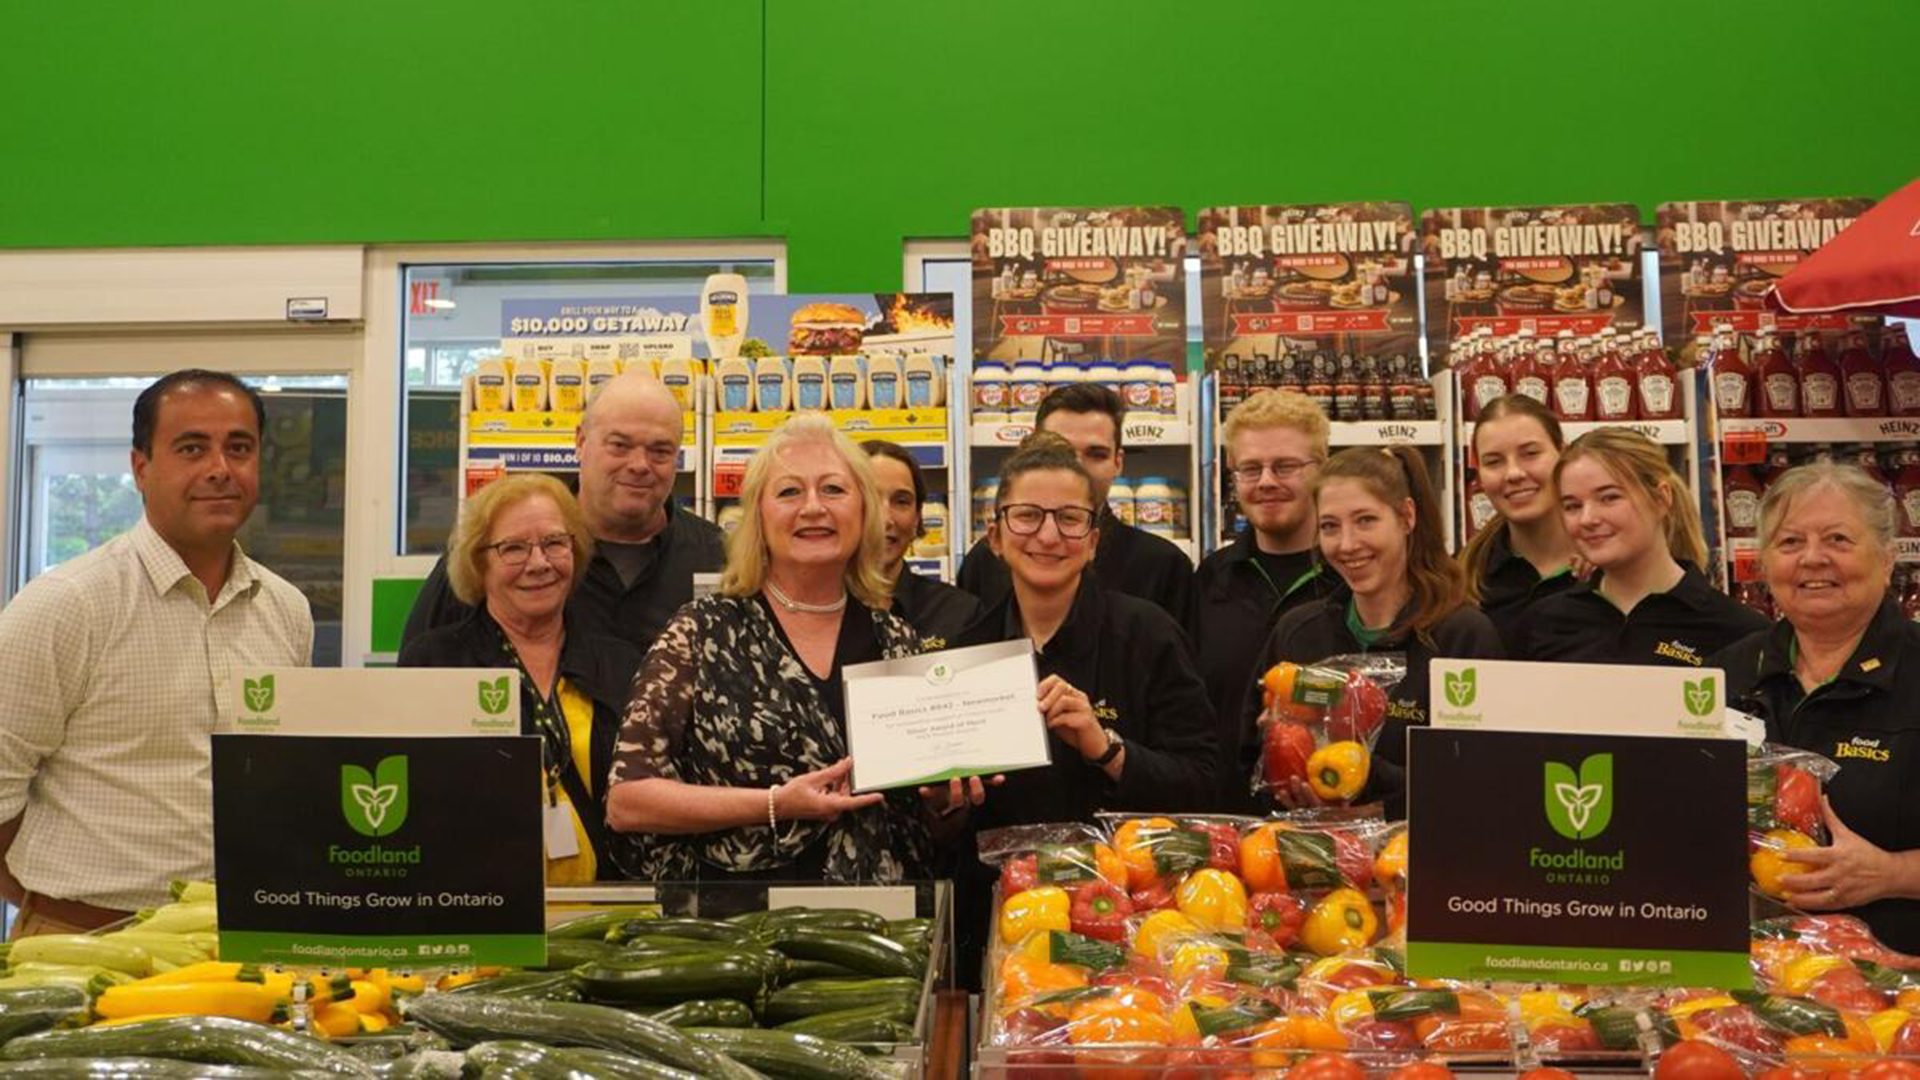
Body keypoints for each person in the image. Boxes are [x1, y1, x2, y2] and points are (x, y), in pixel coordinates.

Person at [0, 370, 312, 936]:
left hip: (241, 944)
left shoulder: (287, 610)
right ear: (141, 467)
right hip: (82, 943)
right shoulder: (66, 605)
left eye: (238, 448)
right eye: (192, 448)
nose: (220, 468)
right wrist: (62, 908)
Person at [605, 414, 929, 882]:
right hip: (738, 931)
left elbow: (921, 817)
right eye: (789, 492)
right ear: (758, 516)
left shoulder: (898, 643)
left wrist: (944, 802)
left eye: (834, 490)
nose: (813, 507)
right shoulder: (702, 632)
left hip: (878, 930)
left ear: (864, 513)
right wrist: (776, 804)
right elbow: (627, 801)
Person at [947, 432, 1218, 986]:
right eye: (1026, 516)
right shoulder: (963, 652)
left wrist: (1109, 751)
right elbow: (947, 828)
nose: (1048, 535)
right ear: (994, 536)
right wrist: (942, 803)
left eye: (1070, 518)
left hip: (1132, 922)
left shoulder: (1148, 635)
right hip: (1006, 926)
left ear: (1093, 540)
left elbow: (1207, 785)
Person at [1715, 464, 1920, 952]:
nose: (1812, 558)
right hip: (1742, 984)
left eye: (1838, 539)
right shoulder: (1722, 676)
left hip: (1900, 985)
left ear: (1888, 557)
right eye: (1789, 543)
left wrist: (1891, 874)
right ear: (1764, 564)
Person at [399, 474, 638, 883]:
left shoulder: (621, 664)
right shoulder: (435, 662)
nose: (539, 563)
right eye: (513, 548)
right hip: (480, 904)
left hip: (609, 910)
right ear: (478, 563)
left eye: (554, 543)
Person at [1248, 446, 1502, 818]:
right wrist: (1276, 755)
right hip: (1317, 860)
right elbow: (1249, 764)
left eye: (1365, 520)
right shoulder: (1299, 632)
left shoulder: (1461, 637)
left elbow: (1482, 781)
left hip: (1425, 864)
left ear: (1407, 517)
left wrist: (1376, 807)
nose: (1347, 545)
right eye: (1330, 526)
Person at [401, 372, 724, 656]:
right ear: (580, 442)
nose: (639, 464)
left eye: (660, 450)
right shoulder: (494, 550)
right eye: (619, 445)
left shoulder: (719, 557)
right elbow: (422, 677)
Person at [1190, 390, 1336, 802]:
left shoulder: (1349, 580)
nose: (1267, 481)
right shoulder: (1209, 581)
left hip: (1331, 817)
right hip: (1224, 824)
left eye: (1285, 466)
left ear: (1321, 470)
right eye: (1250, 469)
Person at [1519, 428, 1767, 666]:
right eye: (1572, 506)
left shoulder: (1740, 631)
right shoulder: (1545, 622)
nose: (1588, 519)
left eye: (1609, 498)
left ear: (1661, 499)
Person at [957, 383, 1193, 626]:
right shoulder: (984, 562)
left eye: (1097, 454)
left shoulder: (1164, 566)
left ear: (1118, 462)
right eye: (1061, 451)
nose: (1077, 466)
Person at [1460, 395, 1580, 651]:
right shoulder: (1460, 580)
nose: (1513, 473)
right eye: (1494, 461)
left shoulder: (1614, 568)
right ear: (1479, 473)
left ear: (1563, 452)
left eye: (1530, 454)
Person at [860, 439, 979, 649]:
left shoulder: (960, 613)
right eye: (870, 499)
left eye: (902, 501)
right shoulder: (813, 614)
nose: (886, 519)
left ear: (917, 518)